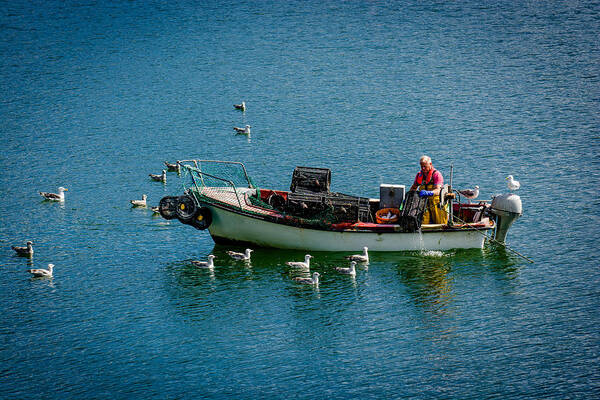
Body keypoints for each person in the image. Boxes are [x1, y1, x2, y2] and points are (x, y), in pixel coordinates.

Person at [409, 155, 448, 224]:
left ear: (430, 164)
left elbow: (438, 190)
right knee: (423, 221)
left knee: (440, 222)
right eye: (421, 166)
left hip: (436, 203)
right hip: (424, 203)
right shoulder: (419, 175)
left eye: (425, 166)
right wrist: (409, 197)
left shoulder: (437, 175)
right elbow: (414, 187)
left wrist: (429, 193)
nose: (423, 168)